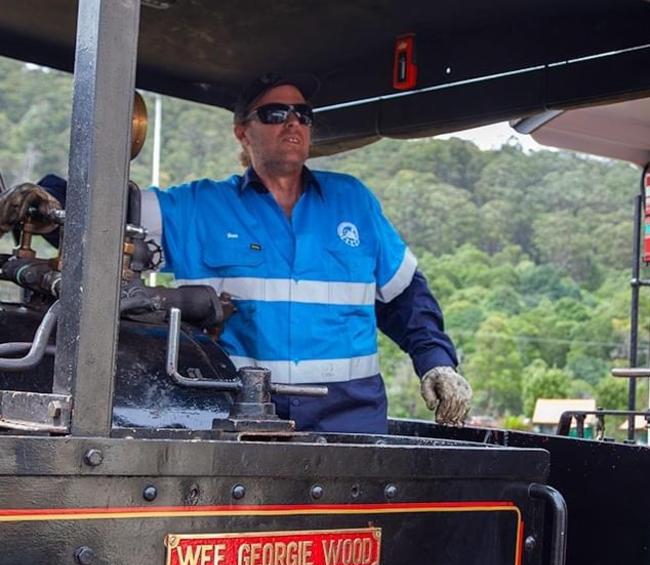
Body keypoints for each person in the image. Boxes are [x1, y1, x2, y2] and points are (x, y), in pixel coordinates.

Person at [0, 73, 471, 433]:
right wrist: (50, 198)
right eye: (275, 114)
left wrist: (436, 361)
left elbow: (404, 296)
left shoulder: (355, 202)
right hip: (243, 420)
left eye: (302, 114)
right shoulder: (203, 206)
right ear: (242, 133)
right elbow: (111, 215)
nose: (292, 123)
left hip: (351, 423)